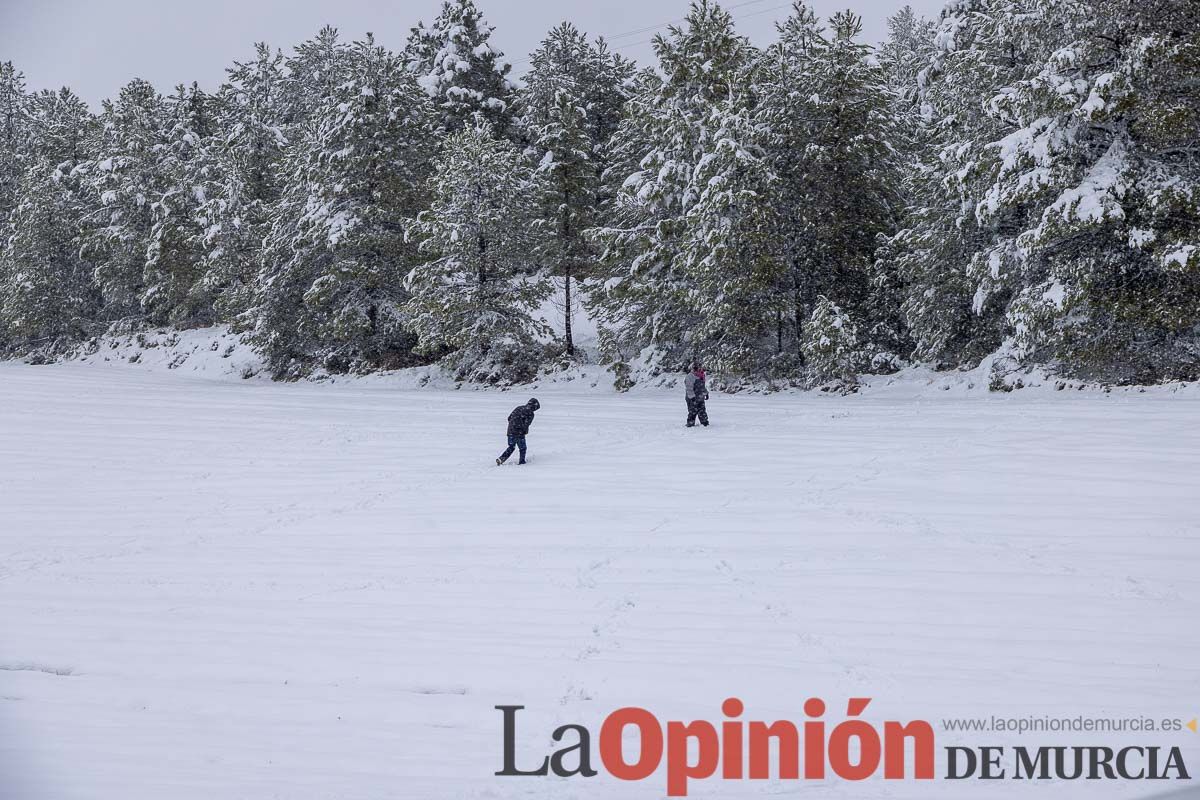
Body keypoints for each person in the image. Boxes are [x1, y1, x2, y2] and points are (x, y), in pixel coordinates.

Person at [497, 398, 540, 465]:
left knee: (511, 447)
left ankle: (501, 459)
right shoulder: (530, 413)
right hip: (519, 433)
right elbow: (526, 424)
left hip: (510, 431)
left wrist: (513, 425)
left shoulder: (519, 408)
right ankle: (522, 462)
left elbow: (509, 418)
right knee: (523, 448)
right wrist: (523, 431)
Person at [684, 362, 709, 427]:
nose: (700, 369)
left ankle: (704, 422)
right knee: (692, 411)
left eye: (701, 368)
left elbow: (702, 386)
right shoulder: (690, 376)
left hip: (700, 397)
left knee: (702, 410)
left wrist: (706, 393)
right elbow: (689, 388)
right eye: (698, 368)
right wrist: (692, 397)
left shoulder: (701, 375)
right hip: (692, 398)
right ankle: (690, 423)